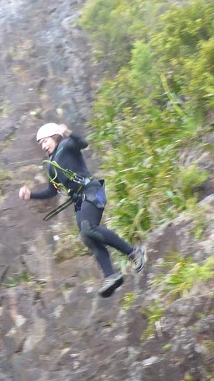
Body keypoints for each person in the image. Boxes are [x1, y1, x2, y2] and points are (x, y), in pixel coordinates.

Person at [18, 122, 146, 296]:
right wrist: (30, 195)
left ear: (54, 137)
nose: (43, 145)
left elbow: (83, 143)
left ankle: (134, 252)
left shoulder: (66, 145)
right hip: (80, 200)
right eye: (40, 143)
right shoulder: (51, 166)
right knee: (87, 237)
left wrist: (69, 133)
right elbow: (51, 191)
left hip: (92, 191)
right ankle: (110, 275)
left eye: (45, 141)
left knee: (88, 228)